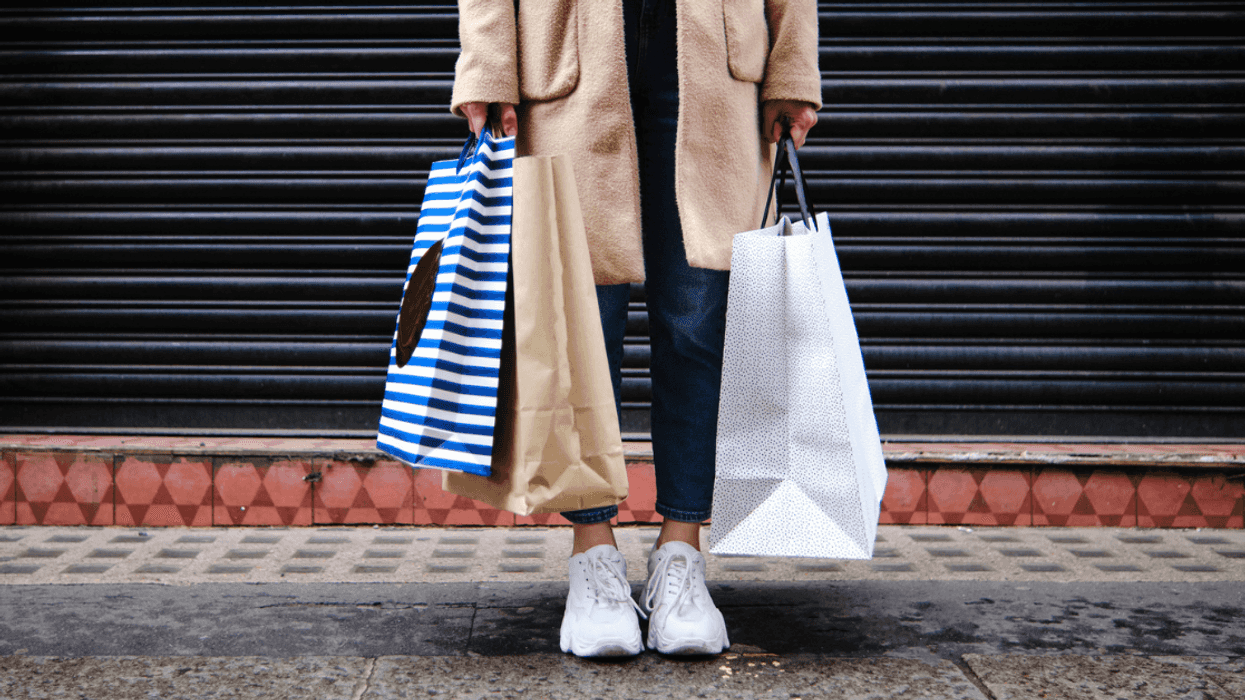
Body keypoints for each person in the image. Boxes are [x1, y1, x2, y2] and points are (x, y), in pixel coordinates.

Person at [452, 0, 821, 656]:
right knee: (580, 329)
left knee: (699, 322)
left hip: (715, 67)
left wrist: (791, 70)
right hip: (567, 63)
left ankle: (682, 553)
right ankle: (592, 551)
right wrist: (487, 68)